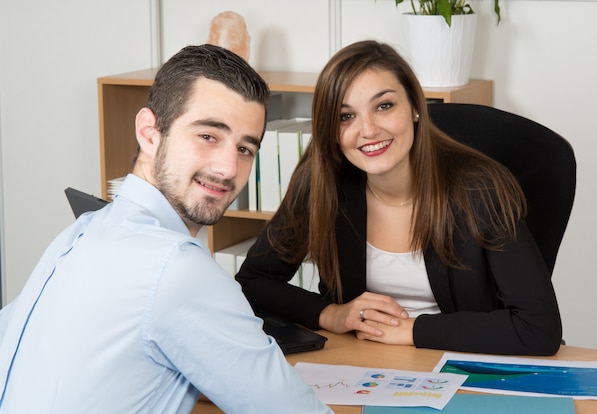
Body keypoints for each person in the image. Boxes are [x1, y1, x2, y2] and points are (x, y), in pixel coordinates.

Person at [0, 44, 335, 414]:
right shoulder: (176, 269)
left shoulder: (81, 233)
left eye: (245, 149)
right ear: (149, 132)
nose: (227, 168)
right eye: (208, 135)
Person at [236, 40, 562, 356]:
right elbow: (253, 280)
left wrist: (413, 330)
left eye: (384, 106)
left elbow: (539, 327)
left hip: (460, 365)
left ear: (415, 109)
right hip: (362, 362)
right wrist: (330, 314)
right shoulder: (323, 183)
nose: (368, 130)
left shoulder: (479, 190)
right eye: (345, 116)